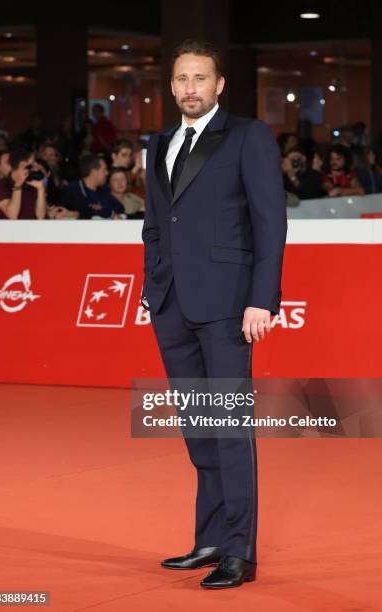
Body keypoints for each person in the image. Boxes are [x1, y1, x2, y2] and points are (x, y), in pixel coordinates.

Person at [141, 39, 287, 589]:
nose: (190, 89)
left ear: (219, 84)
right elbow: (155, 224)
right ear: (172, 85)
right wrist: (150, 284)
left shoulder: (248, 135)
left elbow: (271, 223)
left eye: (200, 78)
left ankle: (239, 552)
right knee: (198, 427)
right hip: (172, 303)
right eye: (182, 79)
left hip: (228, 304)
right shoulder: (158, 144)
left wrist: (261, 298)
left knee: (228, 427)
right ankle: (209, 538)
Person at [62, 154, 125, 219]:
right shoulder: (72, 190)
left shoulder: (103, 189)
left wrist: (102, 210)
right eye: (104, 169)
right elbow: (83, 212)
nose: (107, 173)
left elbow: (120, 208)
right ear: (94, 172)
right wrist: (107, 211)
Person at [0, 148, 47, 219]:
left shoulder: (32, 183)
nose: (36, 166)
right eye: (32, 164)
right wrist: (18, 185)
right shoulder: (0, 185)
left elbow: (41, 216)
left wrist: (40, 189)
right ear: (22, 165)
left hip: (32, 228)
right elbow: (12, 215)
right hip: (8, 229)